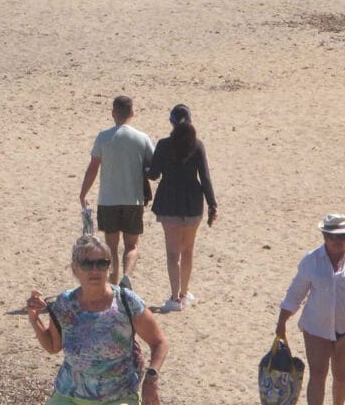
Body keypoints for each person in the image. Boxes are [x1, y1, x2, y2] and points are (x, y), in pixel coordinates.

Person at [25, 235, 168, 405]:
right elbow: (53, 346)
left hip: (118, 397)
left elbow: (159, 342)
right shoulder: (65, 303)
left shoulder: (126, 302)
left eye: (101, 263)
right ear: (75, 269)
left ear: (109, 267)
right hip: (69, 394)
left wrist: (151, 380)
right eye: (87, 264)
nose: (95, 270)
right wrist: (34, 319)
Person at [276, 214, 345, 405]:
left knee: (342, 378)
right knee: (318, 375)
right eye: (333, 236)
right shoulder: (311, 260)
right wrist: (281, 322)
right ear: (324, 236)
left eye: (343, 236)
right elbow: (296, 293)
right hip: (316, 328)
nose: (338, 240)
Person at [146, 104, 216, 312]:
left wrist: (145, 167)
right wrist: (212, 204)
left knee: (172, 252)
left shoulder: (164, 145)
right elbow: (205, 177)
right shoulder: (197, 145)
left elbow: (154, 174)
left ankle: (175, 298)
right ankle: (184, 293)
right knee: (188, 250)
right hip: (193, 202)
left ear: (172, 123)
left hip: (169, 202)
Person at [80, 96, 155, 287]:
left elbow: (93, 167)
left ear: (113, 113)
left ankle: (113, 288)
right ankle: (127, 277)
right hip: (133, 200)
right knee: (132, 245)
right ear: (132, 113)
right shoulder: (142, 138)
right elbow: (154, 167)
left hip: (108, 200)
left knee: (111, 248)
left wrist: (83, 193)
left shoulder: (103, 137)